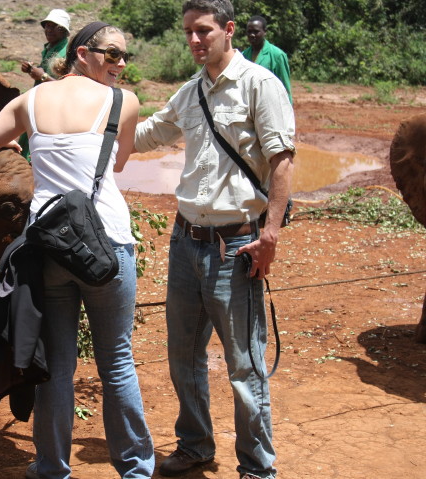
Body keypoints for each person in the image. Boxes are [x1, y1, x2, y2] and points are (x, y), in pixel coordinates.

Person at [0, 22, 154, 479]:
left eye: (124, 56)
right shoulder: (123, 103)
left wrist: (16, 144)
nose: (121, 64)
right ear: (82, 53)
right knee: (117, 361)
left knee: (57, 365)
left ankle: (51, 467)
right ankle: (135, 470)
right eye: (113, 54)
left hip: (49, 247)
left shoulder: (28, 102)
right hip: (108, 243)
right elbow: (119, 162)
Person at [133, 1, 295, 478]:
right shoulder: (190, 92)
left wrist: (270, 235)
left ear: (228, 30)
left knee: (244, 365)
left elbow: (282, 161)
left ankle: (257, 467)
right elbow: (147, 134)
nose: (193, 40)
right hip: (185, 242)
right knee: (183, 356)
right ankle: (195, 446)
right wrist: (91, 112)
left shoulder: (259, 85)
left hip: (237, 246)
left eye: (203, 30)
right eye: (188, 31)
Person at [18, 8, 71, 161]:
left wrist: (43, 76)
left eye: (54, 27)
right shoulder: (51, 48)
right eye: (47, 26)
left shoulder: (67, 53)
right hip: (40, 103)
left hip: (54, 108)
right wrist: (32, 70)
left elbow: (68, 86)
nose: (48, 30)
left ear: (64, 31)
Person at [242, 15, 292, 103]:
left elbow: (285, 88)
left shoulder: (277, 55)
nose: (252, 35)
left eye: (256, 32)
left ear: (265, 32)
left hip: (271, 104)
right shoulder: (243, 56)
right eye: (249, 32)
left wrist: (288, 108)